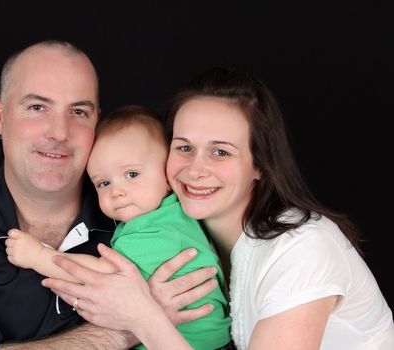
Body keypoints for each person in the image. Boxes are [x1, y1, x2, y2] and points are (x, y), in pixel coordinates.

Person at [43, 67, 394, 349]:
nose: (195, 170)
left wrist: (142, 316)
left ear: (260, 165)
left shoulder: (302, 250)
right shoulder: (179, 235)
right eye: (184, 148)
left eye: (221, 152)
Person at [0, 40, 220, 350]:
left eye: (78, 111)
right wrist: (135, 326)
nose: (59, 132)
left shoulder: (140, 207)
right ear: (0, 117)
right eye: (38, 107)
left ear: (98, 120)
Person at [5, 105, 233, 350]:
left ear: (167, 175)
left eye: (132, 174)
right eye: (104, 182)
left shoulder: (159, 230)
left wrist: (38, 256)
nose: (117, 191)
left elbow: (102, 278)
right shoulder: (169, 214)